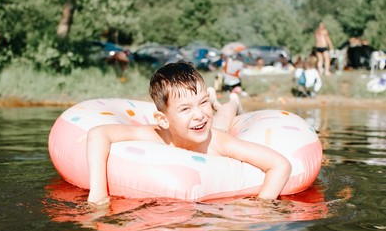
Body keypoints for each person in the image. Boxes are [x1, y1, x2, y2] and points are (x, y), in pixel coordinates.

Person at [86, 61, 292, 205]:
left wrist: (262, 204)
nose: (199, 115)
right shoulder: (157, 135)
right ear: (163, 120)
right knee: (218, 118)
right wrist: (98, 192)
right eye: (185, 109)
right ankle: (213, 99)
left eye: (202, 103)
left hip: (217, 131)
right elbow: (98, 133)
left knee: (223, 117)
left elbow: (280, 165)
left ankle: (232, 101)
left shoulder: (219, 143)